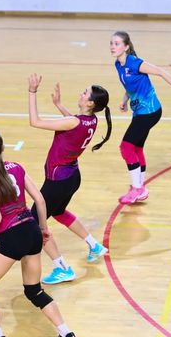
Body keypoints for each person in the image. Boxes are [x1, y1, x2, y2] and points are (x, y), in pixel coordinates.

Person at [0, 130, 81, 337]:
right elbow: (40, 200)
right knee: (34, 291)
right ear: (3, 148)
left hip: (12, 235)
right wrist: (44, 229)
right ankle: (67, 335)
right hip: (32, 229)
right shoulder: (17, 167)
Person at [27, 74, 111, 285]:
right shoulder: (91, 120)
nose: (81, 94)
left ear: (90, 103)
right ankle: (94, 245)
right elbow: (73, 124)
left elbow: (35, 122)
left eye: (85, 93)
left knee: (34, 224)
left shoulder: (75, 121)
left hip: (58, 181)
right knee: (59, 212)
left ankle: (62, 268)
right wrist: (59, 105)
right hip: (72, 177)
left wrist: (32, 91)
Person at [110, 31, 171, 204]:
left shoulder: (135, 62)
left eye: (117, 43)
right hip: (140, 111)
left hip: (149, 111)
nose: (112, 46)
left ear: (126, 47)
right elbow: (131, 85)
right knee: (136, 148)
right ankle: (139, 188)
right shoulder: (118, 64)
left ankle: (137, 189)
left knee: (126, 147)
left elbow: (160, 72)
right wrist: (125, 100)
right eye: (111, 43)